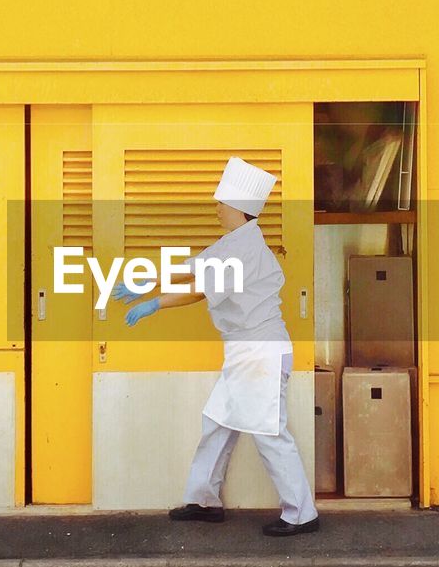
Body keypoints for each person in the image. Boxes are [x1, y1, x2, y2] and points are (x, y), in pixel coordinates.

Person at [112, 156, 320, 537]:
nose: (216, 208)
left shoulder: (244, 250)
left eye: (221, 203)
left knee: (270, 433)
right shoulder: (235, 243)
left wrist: (154, 303)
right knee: (217, 422)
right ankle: (205, 500)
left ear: (238, 209)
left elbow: (198, 289)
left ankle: (301, 513)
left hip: (260, 353)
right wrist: (146, 283)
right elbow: (193, 267)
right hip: (247, 353)